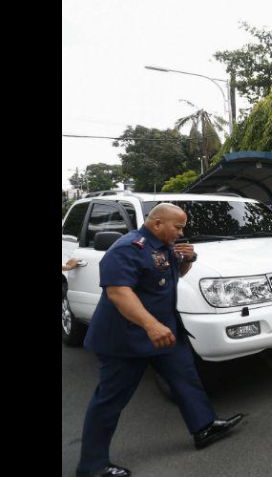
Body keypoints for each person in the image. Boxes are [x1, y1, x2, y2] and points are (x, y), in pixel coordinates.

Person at [76, 203, 243, 477]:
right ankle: (92, 466)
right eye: (177, 227)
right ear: (157, 224)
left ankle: (204, 427)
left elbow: (172, 276)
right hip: (125, 340)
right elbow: (119, 293)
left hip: (164, 333)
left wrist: (188, 260)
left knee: (186, 378)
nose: (181, 232)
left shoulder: (163, 245)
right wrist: (151, 325)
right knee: (109, 400)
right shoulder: (128, 248)